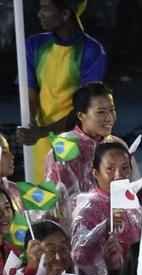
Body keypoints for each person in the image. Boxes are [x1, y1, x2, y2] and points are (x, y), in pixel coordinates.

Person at [14, 0, 107, 183]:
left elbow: (86, 110)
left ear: (65, 14)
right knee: (41, 203)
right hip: (39, 142)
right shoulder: (34, 45)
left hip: (74, 139)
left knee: (70, 198)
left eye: (46, 8)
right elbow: (29, 90)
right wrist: (31, 123)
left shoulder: (91, 51)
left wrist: (41, 132)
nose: (39, 13)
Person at [39, 83, 122, 227]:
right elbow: (58, 202)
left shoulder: (117, 144)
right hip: (79, 231)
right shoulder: (65, 147)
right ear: (81, 115)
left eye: (112, 110)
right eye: (101, 112)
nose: (109, 118)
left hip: (117, 227)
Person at [69, 140, 140, 275]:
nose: (118, 175)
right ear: (95, 173)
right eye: (110, 169)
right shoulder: (89, 207)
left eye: (125, 168)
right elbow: (78, 255)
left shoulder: (130, 201)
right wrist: (104, 227)